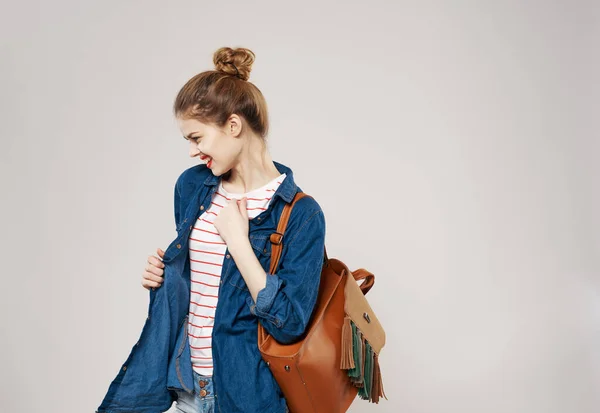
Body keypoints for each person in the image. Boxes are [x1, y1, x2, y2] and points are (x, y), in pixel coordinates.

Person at [136, 47, 326, 413]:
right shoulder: (192, 187)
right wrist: (164, 277)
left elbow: (289, 324)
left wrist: (239, 243)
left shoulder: (302, 215)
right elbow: (202, 287)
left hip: (249, 394)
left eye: (196, 138)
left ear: (233, 126)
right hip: (189, 385)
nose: (193, 152)